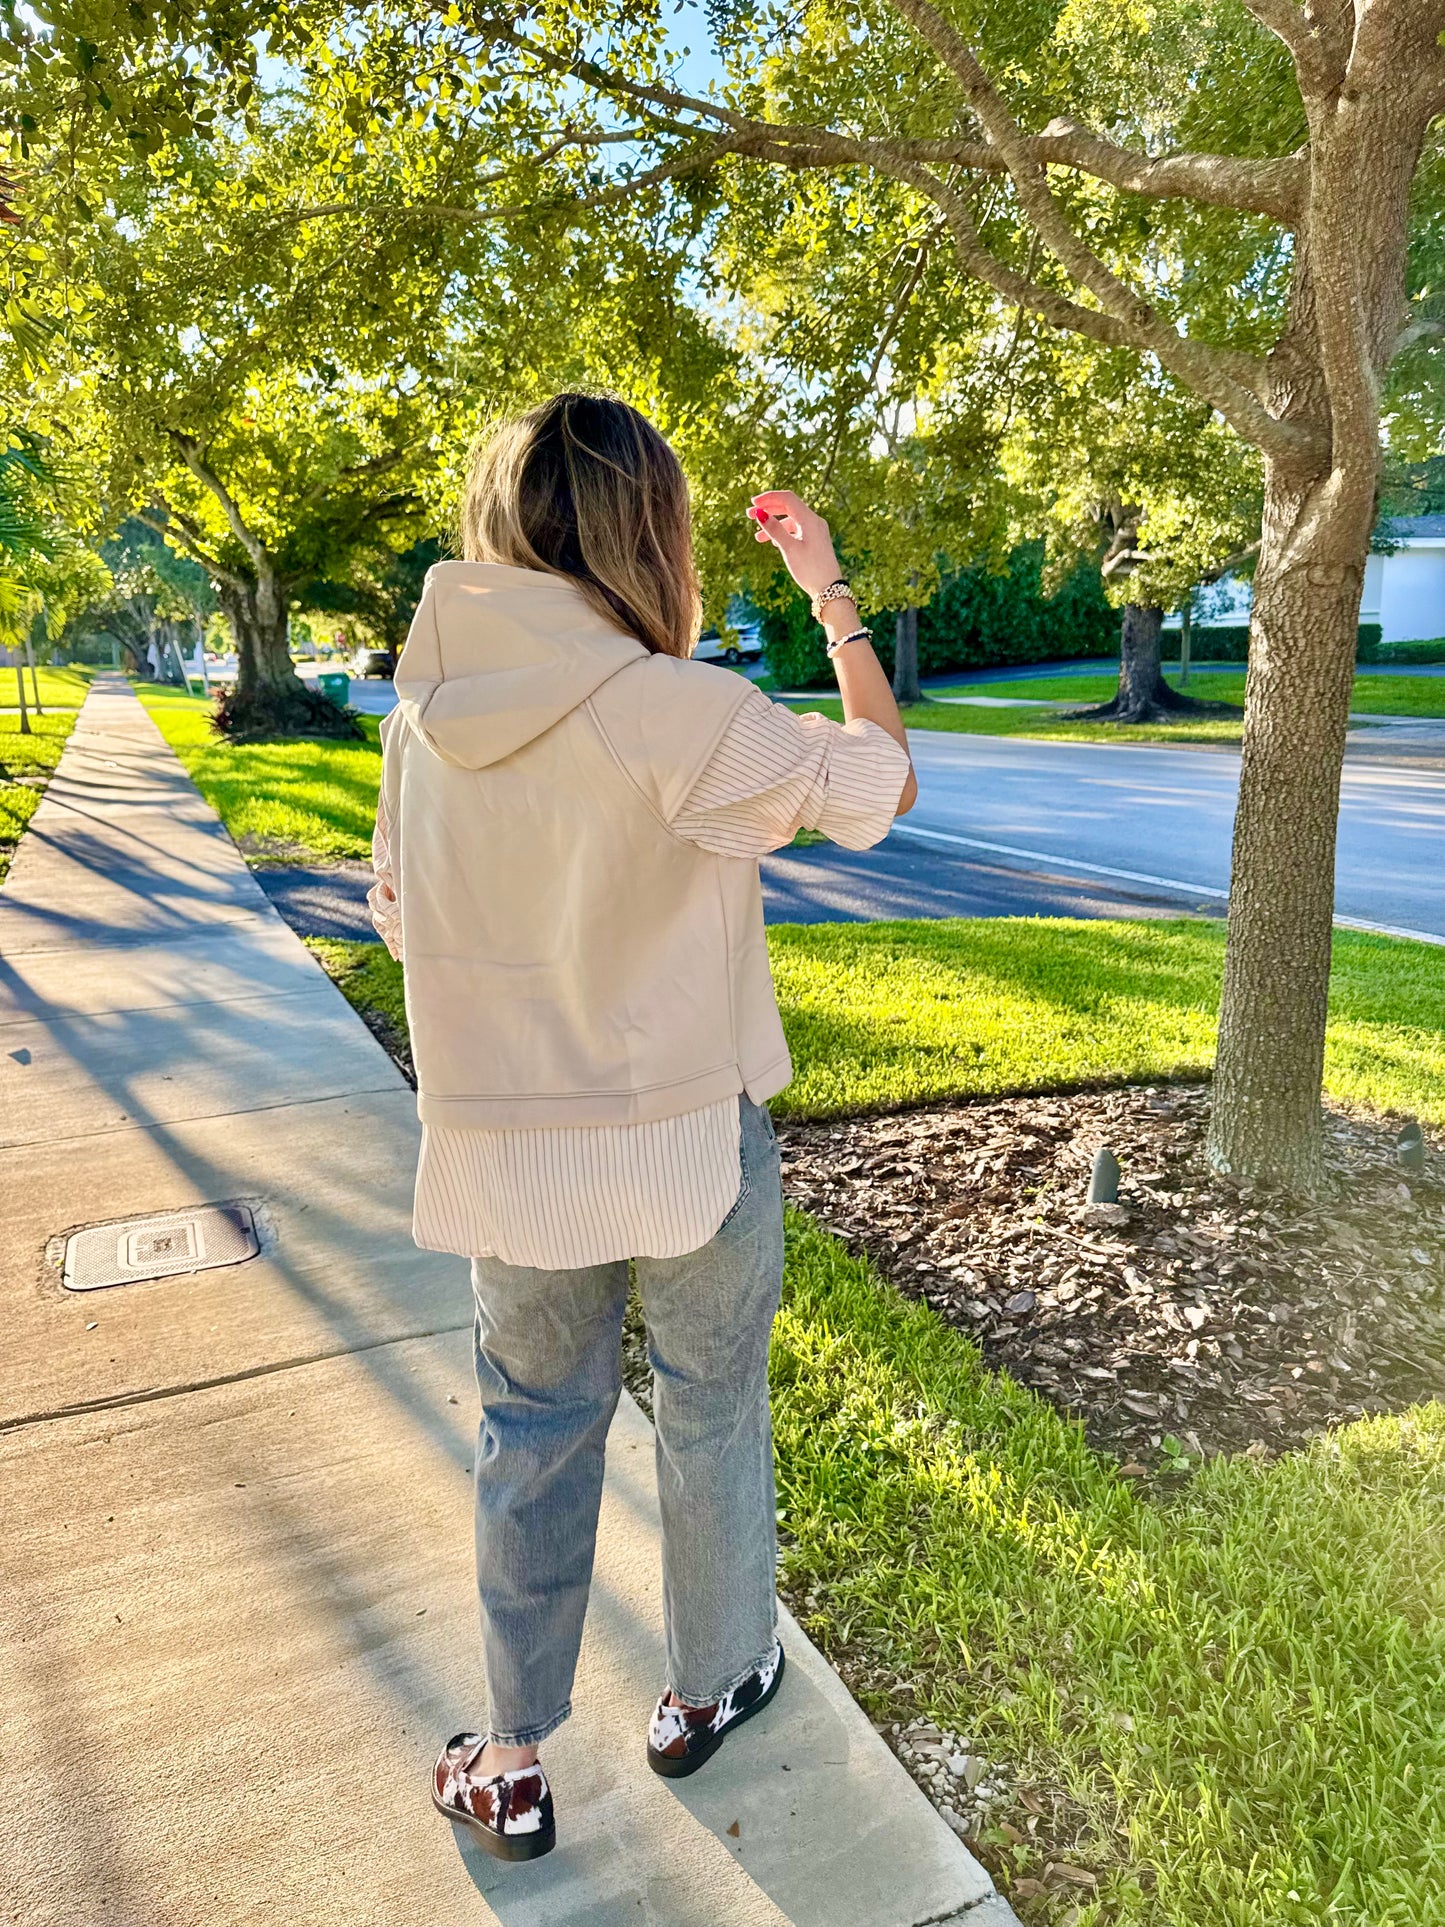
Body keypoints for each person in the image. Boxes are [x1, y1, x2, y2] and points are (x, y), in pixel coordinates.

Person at [368, 392, 916, 1863]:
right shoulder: (680, 710)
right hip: (685, 1142)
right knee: (710, 1403)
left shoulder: (420, 724)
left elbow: (400, 918)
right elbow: (879, 784)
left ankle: (508, 1759)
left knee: (531, 1426)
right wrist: (830, 595)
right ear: (648, 531)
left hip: (510, 1157)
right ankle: (709, 1681)